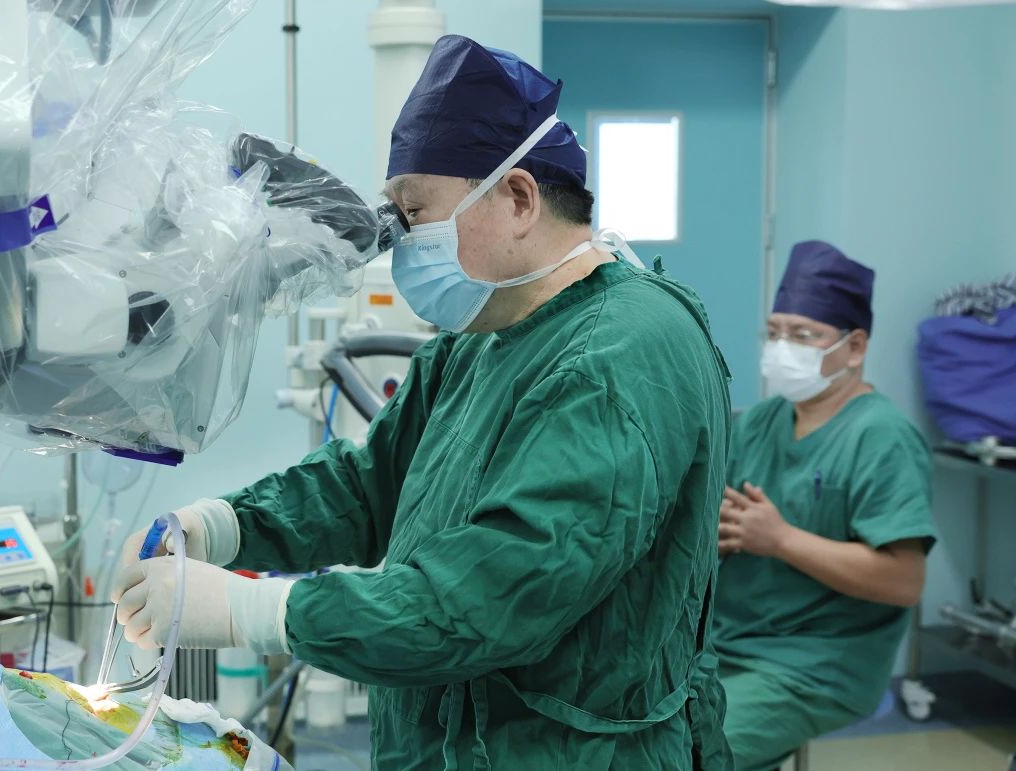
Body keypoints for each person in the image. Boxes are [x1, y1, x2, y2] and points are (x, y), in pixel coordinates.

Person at [112, 34, 734, 770]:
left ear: (519, 198)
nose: (401, 242)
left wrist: (252, 610)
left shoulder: (618, 357)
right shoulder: (484, 333)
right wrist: (224, 525)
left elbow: (492, 596)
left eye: (414, 214)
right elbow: (371, 485)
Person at [713, 241, 937, 771]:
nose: (781, 348)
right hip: (726, 642)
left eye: (802, 335)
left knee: (690, 753)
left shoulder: (880, 436)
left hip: (817, 664)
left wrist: (781, 540)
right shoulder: (762, 421)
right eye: (774, 333)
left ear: (854, 347)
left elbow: (904, 582)